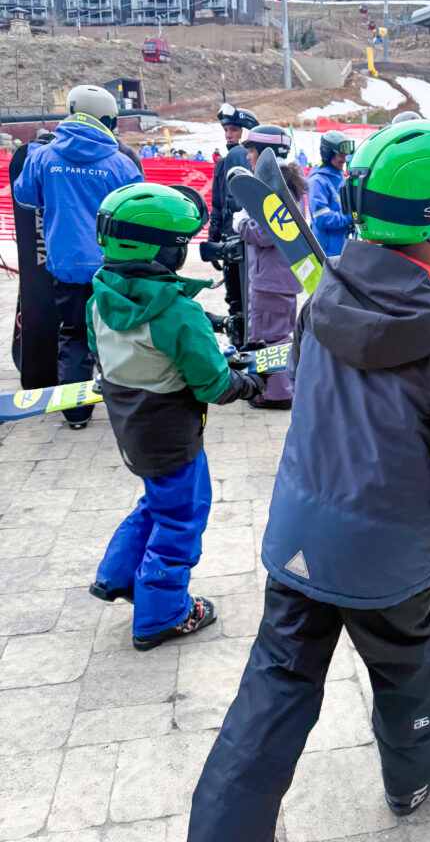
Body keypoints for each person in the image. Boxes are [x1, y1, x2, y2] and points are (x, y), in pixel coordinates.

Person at [188, 121, 430, 841]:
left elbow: (310, 394)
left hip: (301, 536)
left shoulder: (324, 294)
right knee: (408, 670)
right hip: (385, 559)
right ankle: (418, 767)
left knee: (273, 687)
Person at [87, 183, 266, 650]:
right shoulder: (177, 315)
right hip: (172, 434)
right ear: (161, 249)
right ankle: (162, 614)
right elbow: (212, 383)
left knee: (156, 502)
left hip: (132, 427)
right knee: (182, 517)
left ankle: (120, 575)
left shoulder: (100, 297)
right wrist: (250, 383)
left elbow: (114, 349)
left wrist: (210, 328)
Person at [13, 84, 143, 429]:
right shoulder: (120, 162)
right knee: (118, 332)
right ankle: (127, 402)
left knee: (72, 333)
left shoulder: (44, 157)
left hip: (67, 264)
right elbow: (138, 212)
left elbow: (25, 197)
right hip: (113, 265)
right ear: (106, 119)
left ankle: (76, 411)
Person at [234, 125, 308, 410]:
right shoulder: (287, 183)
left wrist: (241, 224)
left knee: (269, 336)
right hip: (279, 279)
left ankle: (277, 393)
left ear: (265, 153)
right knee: (277, 333)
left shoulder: (276, 187)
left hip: (271, 280)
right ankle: (279, 387)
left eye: (251, 151)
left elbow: (267, 233)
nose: (248, 158)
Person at [209, 103, 259, 316]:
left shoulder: (246, 158)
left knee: (243, 301)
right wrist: (213, 236)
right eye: (226, 130)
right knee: (237, 301)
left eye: (234, 130)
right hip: (231, 240)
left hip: (245, 239)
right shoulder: (222, 163)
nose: (229, 135)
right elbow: (218, 204)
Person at [307, 129, 356, 256]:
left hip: (342, 249)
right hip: (326, 252)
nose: (344, 159)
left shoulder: (339, 178)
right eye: (341, 155)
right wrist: (349, 217)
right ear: (328, 154)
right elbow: (321, 218)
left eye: (345, 155)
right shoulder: (317, 181)